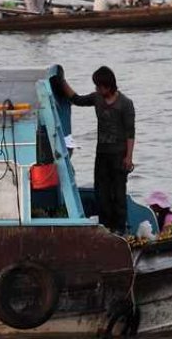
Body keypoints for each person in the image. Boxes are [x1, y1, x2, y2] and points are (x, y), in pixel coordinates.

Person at [59, 66, 135, 233]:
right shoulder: (97, 99)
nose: (97, 89)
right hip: (102, 154)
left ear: (108, 86)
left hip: (119, 155)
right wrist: (62, 81)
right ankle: (106, 228)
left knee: (118, 194)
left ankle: (120, 230)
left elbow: (130, 133)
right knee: (101, 193)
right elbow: (77, 99)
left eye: (99, 86)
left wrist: (128, 157)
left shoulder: (125, 104)